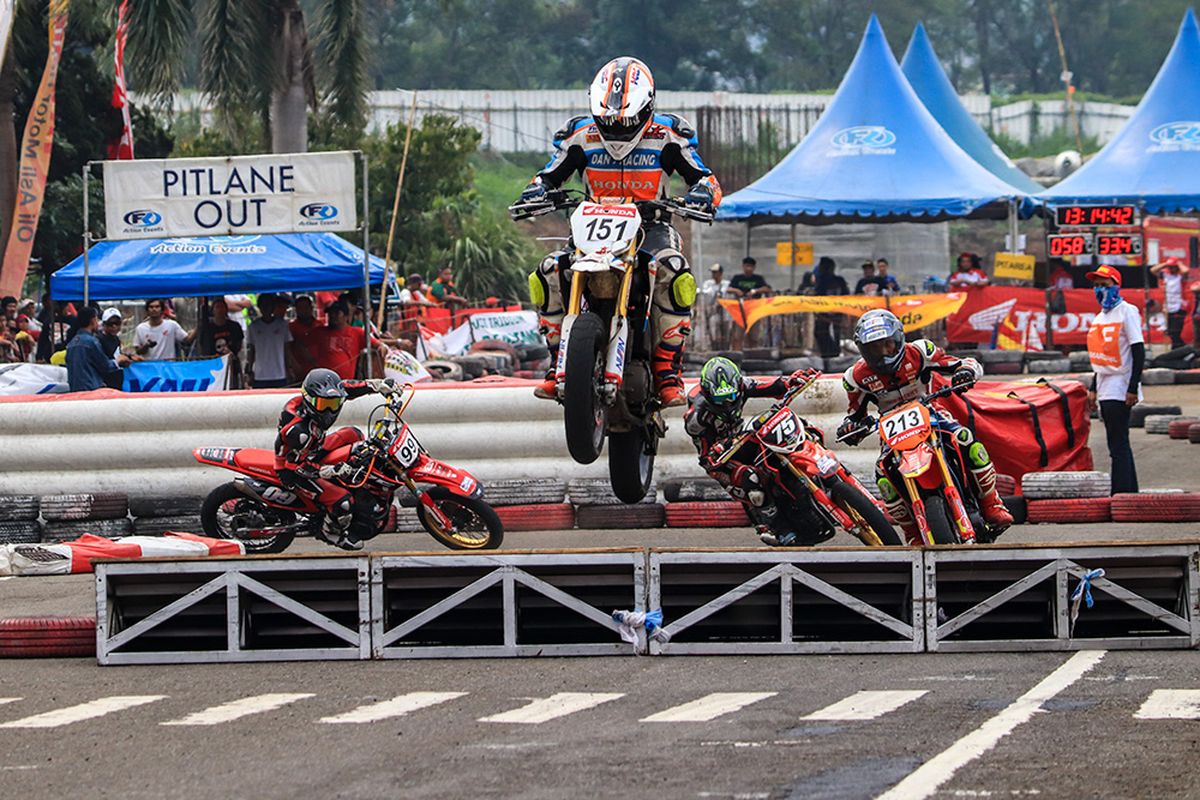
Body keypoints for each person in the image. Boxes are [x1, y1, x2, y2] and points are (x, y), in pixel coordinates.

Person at [518, 56, 721, 406]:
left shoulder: (668, 134)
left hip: (651, 227)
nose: (617, 127)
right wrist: (536, 192)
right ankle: (558, 362)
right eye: (609, 119)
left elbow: (704, 178)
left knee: (674, 272)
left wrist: (703, 195)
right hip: (590, 228)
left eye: (626, 119)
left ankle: (666, 368)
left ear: (647, 107)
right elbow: (547, 175)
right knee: (549, 270)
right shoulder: (580, 135)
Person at [837, 309, 1012, 543]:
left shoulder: (920, 351)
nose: (882, 354)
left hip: (930, 413)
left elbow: (962, 363)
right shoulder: (855, 377)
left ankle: (991, 504)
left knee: (965, 439)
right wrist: (851, 428)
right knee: (882, 474)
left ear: (898, 339)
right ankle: (911, 531)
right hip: (891, 430)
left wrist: (965, 372)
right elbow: (854, 414)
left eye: (887, 345)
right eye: (873, 349)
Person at [686, 358, 823, 546]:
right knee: (749, 478)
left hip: (741, 437)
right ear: (708, 394)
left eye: (731, 396)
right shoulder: (696, 418)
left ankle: (823, 475)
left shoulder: (742, 384)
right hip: (718, 457)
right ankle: (777, 528)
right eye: (720, 399)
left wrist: (791, 381)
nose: (727, 403)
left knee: (791, 434)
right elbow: (705, 456)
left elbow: (771, 386)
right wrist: (715, 451)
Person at [275, 368, 398, 550]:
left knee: (353, 434)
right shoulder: (299, 432)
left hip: (314, 449)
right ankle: (331, 533)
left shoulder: (315, 401)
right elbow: (296, 467)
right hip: (293, 471)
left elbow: (347, 388)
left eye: (333, 405)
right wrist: (332, 471)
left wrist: (378, 385)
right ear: (308, 400)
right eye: (323, 405)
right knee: (343, 501)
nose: (328, 410)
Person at [1086, 265, 1142, 495]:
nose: (1100, 289)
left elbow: (1138, 351)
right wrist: (1092, 388)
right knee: (1118, 442)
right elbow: (1101, 357)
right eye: (1096, 285)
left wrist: (1132, 388)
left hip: (1121, 385)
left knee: (1117, 443)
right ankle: (1129, 493)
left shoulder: (1127, 311)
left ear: (1116, 286)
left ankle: (1119, 494)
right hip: (1104, 383)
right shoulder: (1100, 317)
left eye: (1105, 285)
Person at [317, 300, 388, 380]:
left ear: (346, 316)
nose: (332, 316)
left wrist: (382, 348)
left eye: (337, 313)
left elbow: (378, 345)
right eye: (330, 313)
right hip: (323, 381)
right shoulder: (319, 332)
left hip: (347, 382)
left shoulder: (357, 332)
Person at [66, 307, 131, 392]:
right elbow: (105, 365)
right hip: (91, 389)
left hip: (75, 390)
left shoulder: (72, 343)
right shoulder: (92, 341)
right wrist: (118, 361)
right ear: (93, 320)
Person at [246, 294, 295, 388]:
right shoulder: (253, 327)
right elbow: (251, 351)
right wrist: (249, 371)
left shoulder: (283, 325)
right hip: (260, 375)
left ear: (273, 307)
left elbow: (287, 350)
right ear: (259, 307)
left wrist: (289, 369)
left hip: (279, 374)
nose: (266, 308)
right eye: (264, 305)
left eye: (269, 305)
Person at [812, 256, 849, 359]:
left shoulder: (839, 281)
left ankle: (834, 354)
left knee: (836, 334)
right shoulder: (821, 282)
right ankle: (827, 354)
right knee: (821, 333)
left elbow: (846, 296)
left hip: (836, 313)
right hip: (825, 315)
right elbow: (817, 298)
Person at [1150, 257, 1190, 349]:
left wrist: (1178, 263)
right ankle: (1177, 347)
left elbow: (1186, 271)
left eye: (1173, 267)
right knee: (1170, 331)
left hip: (1179, 305)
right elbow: (1153, 270)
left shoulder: (1181, 276)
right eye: (1170, 267)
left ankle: (1179, 348)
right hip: (1169, 305)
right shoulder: (1165, 275)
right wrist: (1166, 264)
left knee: (1176, 330)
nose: (1171, 269)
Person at [289, 295, 323, 377]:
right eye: (300, 308)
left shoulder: (319, 325)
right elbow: (288, 349)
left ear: (311, 308)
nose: (303, 310)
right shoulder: (291, 327)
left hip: (317, 369)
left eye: (306, 307)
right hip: (298, 370)